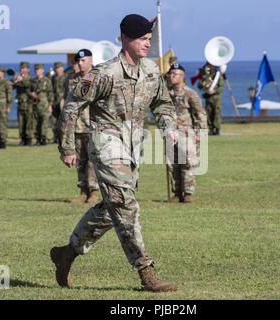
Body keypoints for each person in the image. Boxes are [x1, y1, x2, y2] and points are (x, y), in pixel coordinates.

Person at [51, 14, 179, 292]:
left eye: (149, 39)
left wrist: (169, 127)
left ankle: (67, 253)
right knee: (126, 206)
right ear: (125, 39)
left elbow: (163, 104)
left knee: (111, 210)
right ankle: (146, 271)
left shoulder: (150, 71)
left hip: (134, 147)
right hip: (106, 145)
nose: (148, 44)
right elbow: (72, 107)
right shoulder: (104, 74)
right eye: (143, 39)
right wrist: (68, 147)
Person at [167, 63, 207, 203]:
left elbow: (200, 114)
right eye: (170, 74)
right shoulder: (167, 94)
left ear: (182, 77)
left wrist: (199, 133)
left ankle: (188, 192)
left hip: (186, 133)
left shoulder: (190, 94)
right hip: (171, 133)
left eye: (174, 74)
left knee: (187, 163)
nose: (171, 76)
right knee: (172, 164)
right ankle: (177, 193)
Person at [68, 49, 99, 205]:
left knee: (93, 161)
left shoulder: (98, 77)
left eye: (83, 61)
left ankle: (94, 191)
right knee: (80, 160)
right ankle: (83, 191)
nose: (80, 64)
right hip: (77, 127)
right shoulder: (73, 80)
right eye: (78, 61)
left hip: (93, 126)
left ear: (90, 60)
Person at [198, 62, 224, 135]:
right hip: (208, 98)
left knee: (217, 113)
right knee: (208, 113)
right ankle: (211, 129)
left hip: (216, 98)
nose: (208, 68)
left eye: (209, 66)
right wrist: (202, 83)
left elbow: (221, 87)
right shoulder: (205, 76)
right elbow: (199, 86)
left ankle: (217, 128)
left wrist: (214, 91)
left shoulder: (217, 76)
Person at [30, 64, 53, 146]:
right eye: (36, 70)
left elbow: (50, 93)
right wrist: (32, 94)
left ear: (42, 70)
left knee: (44, 122)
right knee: (36, 123)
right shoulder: (33, 81)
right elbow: (30, 91)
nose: (37, 71)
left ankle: (44, 139)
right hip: (35, 104)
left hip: (44, 104)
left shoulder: (47, 80)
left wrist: (50, 105)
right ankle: (38, 139)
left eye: (39, 69)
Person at [13, 62, 34, 146]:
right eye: (22, 68)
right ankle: (22, 139)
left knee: (29, 122)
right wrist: (15, 79)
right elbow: (12, 86)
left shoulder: (30, 79)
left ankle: (29, 139)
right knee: (21, 123)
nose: (23, 70)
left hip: (29, 104)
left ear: (28, 69)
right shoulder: (19, 78)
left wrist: (22, 79)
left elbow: (28, 84)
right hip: (20, 104)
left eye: (25, 68)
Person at [51, 62, 67, 144]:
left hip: (63, 102)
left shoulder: (66, 77)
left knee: (63, 121)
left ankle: (63, 137)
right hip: (55, 102)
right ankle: (55, 137)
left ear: (62, 68)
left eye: (59, 68)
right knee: (54, 121)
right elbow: (51, 90)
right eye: (56, 68)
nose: (57, 69)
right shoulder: (53, 78)